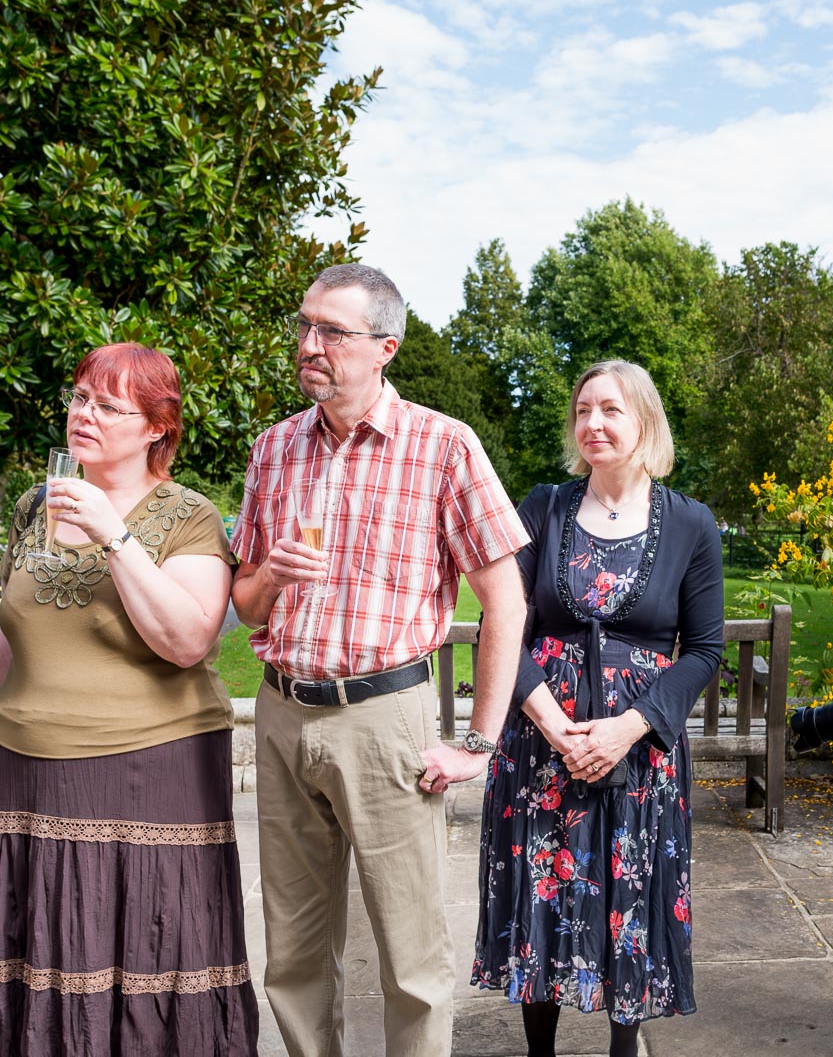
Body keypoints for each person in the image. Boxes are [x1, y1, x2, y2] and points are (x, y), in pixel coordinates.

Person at [231, 264, 529, 1056]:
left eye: (331, 331)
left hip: (387, 717)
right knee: (291, 956)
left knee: (411, 959)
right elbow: (245, 602)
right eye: (304, 326)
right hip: (282, 709)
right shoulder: (274, 450)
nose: (308, 345)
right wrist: (269, 574)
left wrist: (477, 742)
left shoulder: (443, 445)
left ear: (385, 346)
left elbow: (505, 601)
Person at [0, 343, 257, 1053]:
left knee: (147, 946)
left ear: (156, 427)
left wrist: (115, 535)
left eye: (109, 406)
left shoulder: (187, 515)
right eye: (81, 396)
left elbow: (187, 641)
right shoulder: (33, 505)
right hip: (24, 768)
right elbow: (15, 630)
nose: (85, 414)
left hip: (148, 769)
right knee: (38, 947)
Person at [472, 360, 723, 1057]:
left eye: (611, 409)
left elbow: (703, 650)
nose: (594, 424)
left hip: (637, 749)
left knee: (630, 895)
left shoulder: (691, 524)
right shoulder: (543, 508)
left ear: (644, 420)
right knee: (542, 898)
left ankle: (624, 1048)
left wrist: (624, 729)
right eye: (583, 410)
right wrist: (557, 729)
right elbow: (504, 628)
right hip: (540, 744)